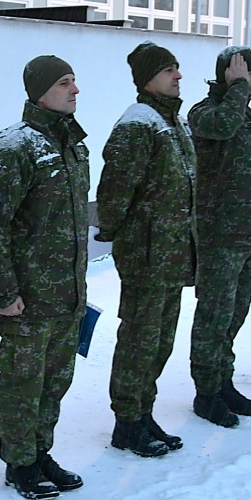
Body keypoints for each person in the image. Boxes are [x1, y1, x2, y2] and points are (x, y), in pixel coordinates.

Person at [0, 56, 90, 500]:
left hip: (66, 293)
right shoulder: (14, 148)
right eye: (64, 83)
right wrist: (4, 292)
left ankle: (41, 451)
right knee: (23, 381)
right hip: (27, 297)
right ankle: (19, 462)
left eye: (74, 82)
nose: (75, 91)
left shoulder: (72, 145)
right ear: (39, 91)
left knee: (55, 379)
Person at [96, 41, 196, 458]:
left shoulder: (174, 123)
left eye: (177, 68)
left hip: (173, 254)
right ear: (147, 78)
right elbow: (114, 196)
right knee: (139, 338)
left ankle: (144, 411)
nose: (178, 75)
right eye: (168, 69)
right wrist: (131, 238)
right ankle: (127, 421)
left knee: (161, 339)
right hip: (147, 256)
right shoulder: (138, 125)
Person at [187, 46, 251, 428]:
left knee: (234, 315)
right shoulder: (205, 113)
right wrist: (235, 88)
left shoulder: (249, 118)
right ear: (230, 76)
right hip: (218, 236)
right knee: (214, 317)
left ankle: (223, 381)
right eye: (250, 73)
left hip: (246, 235)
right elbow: (222, 126)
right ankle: (206, 393)